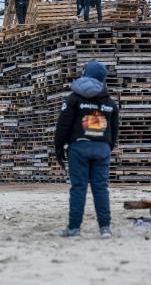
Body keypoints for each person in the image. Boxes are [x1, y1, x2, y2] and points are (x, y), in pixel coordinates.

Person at [55, 61, 119, 238]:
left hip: (79, 148)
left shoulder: (74, 99)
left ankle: (74, 229)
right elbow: (114, 131)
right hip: (102, 149)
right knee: (101, 188)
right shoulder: (110, 103)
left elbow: (63, 126)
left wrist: (59, 148)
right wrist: (106, 148)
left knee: (78, 188)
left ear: (85, 73)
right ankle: (105, 228)